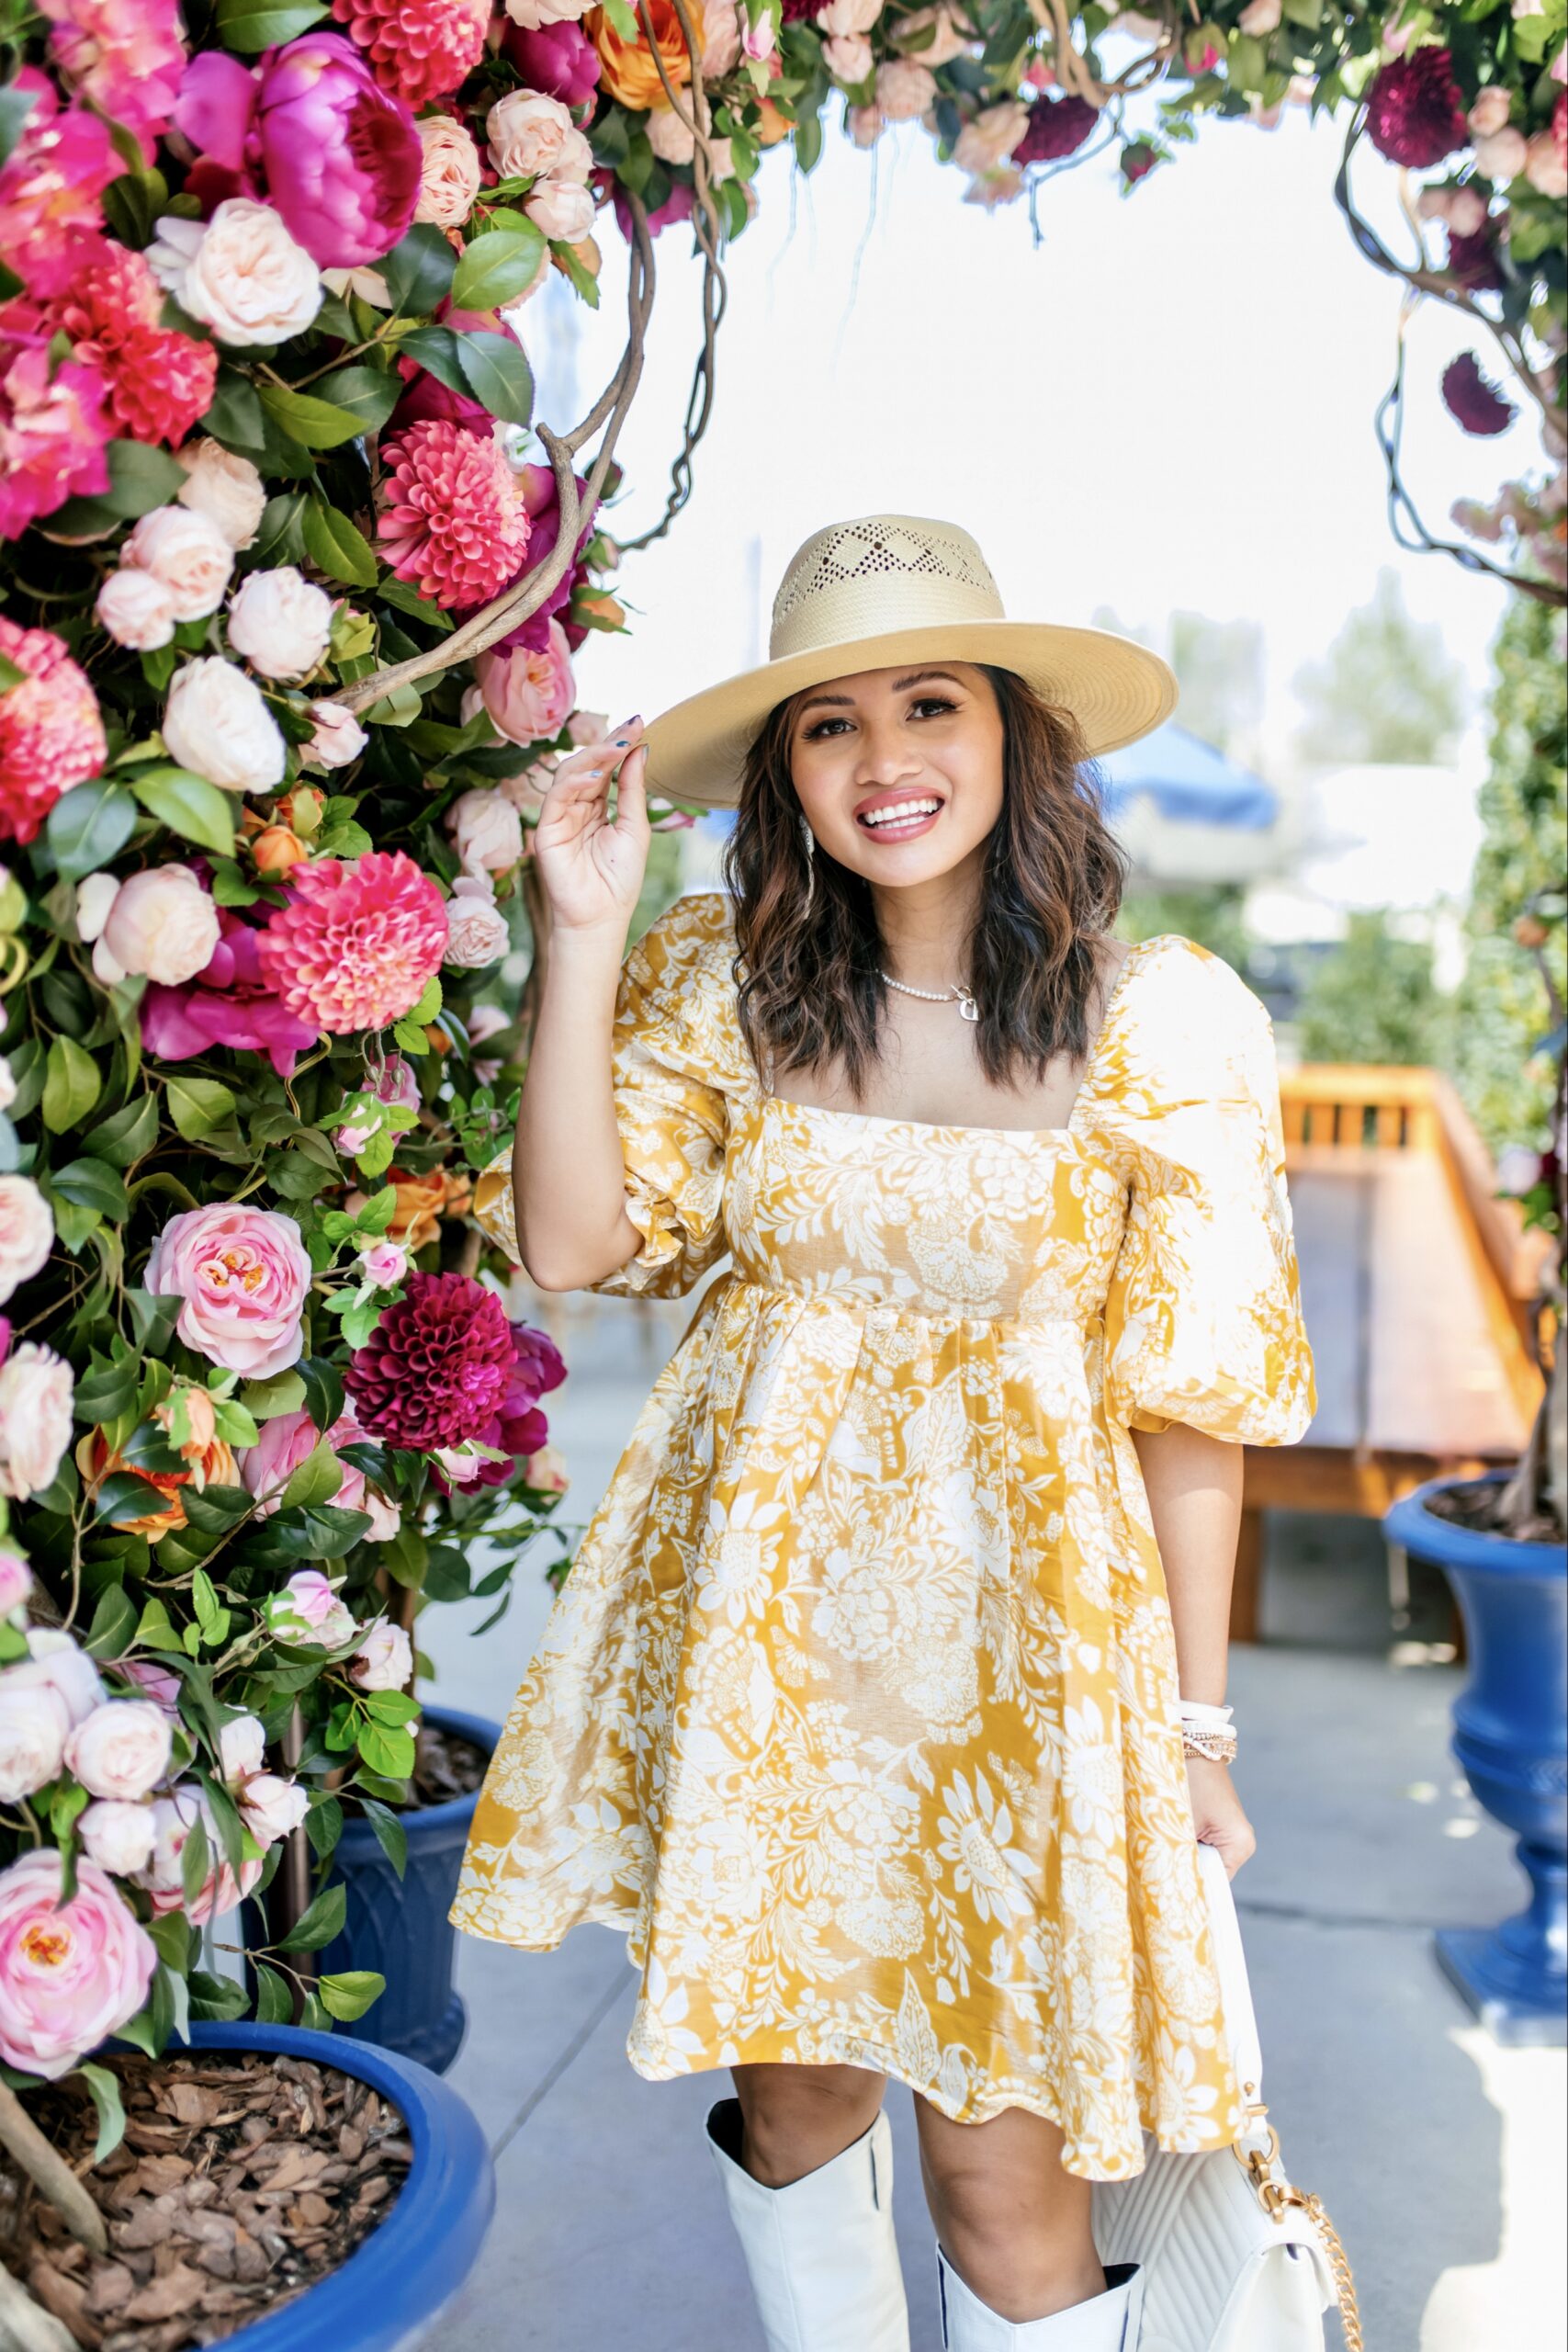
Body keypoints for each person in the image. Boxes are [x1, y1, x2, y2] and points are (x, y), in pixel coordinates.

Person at [450, 514, 1316, 2352]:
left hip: (1021, 1674)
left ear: (1014, 733)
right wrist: (578, 933)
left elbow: (1194, 1412)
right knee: (796, 2105)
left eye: (929, 701)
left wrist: (1197, 1728)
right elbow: (575, 1241)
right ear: (783, 771)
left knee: (1005, 2186)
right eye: (827, 723)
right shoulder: (720, 983)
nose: (882, 757)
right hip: (772, 1668)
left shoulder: (1155, 1021)